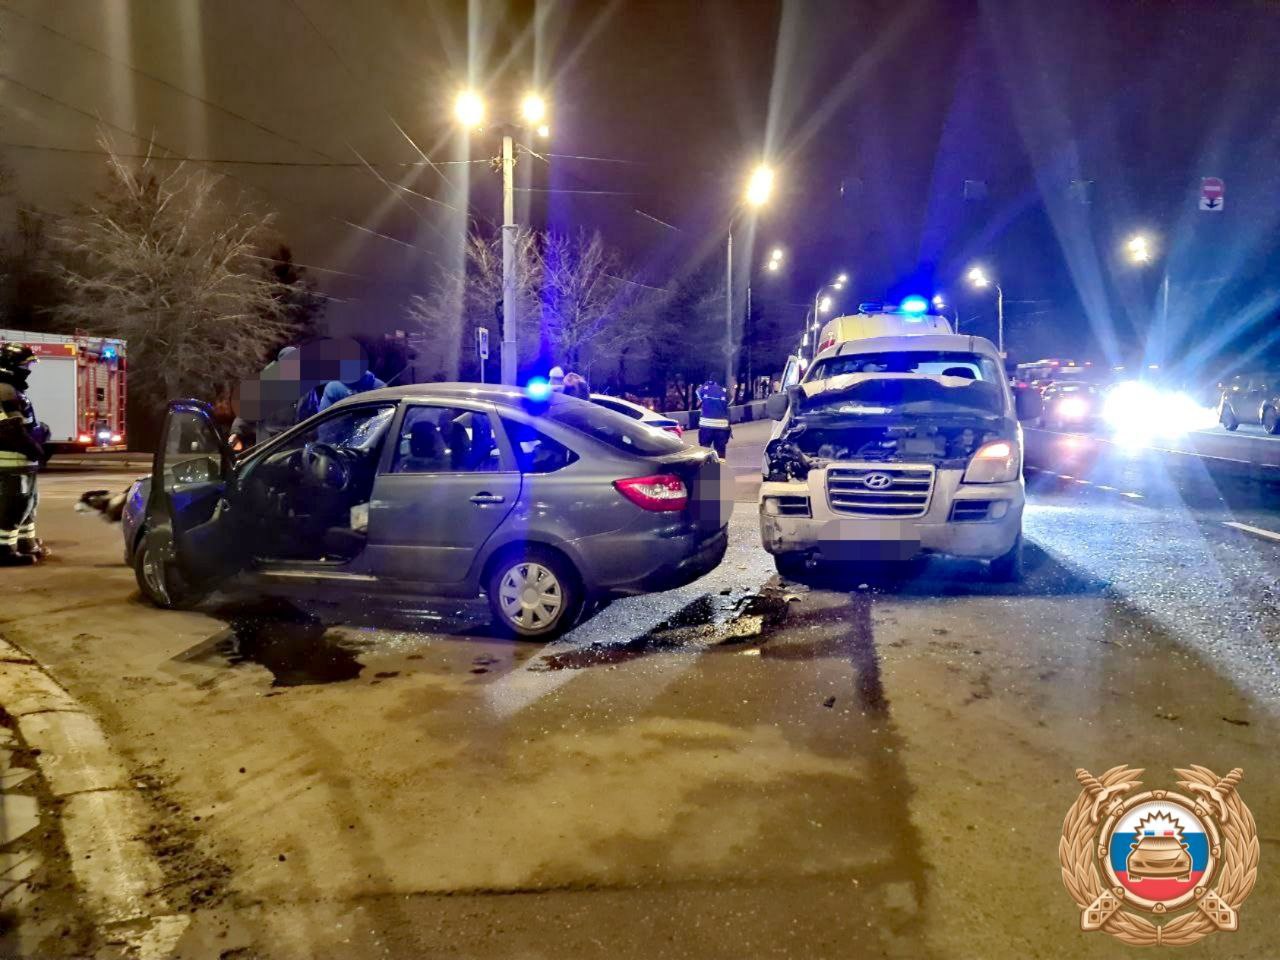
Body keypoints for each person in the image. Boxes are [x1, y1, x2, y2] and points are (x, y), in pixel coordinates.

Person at [0, 344, 45, 563]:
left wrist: (40, 434)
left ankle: (25, 542)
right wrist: (33, 447)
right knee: (13, 505)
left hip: (22, 462)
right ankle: (4, 551)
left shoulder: (13, 389)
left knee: (28, 503)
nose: (28, 369)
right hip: (9, 463)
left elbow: (24, 425)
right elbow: (9, 430)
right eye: (25, 364)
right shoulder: (3, 389)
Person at [696, 377, 731, 458]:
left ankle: (707, 469)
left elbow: (698, 392)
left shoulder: (704, 388)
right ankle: (720, 468)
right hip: (722, 426)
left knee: (704, 449)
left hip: (706, 425)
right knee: (720, 451)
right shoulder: (725, 391)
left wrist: (706, 384)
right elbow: (729, 403)